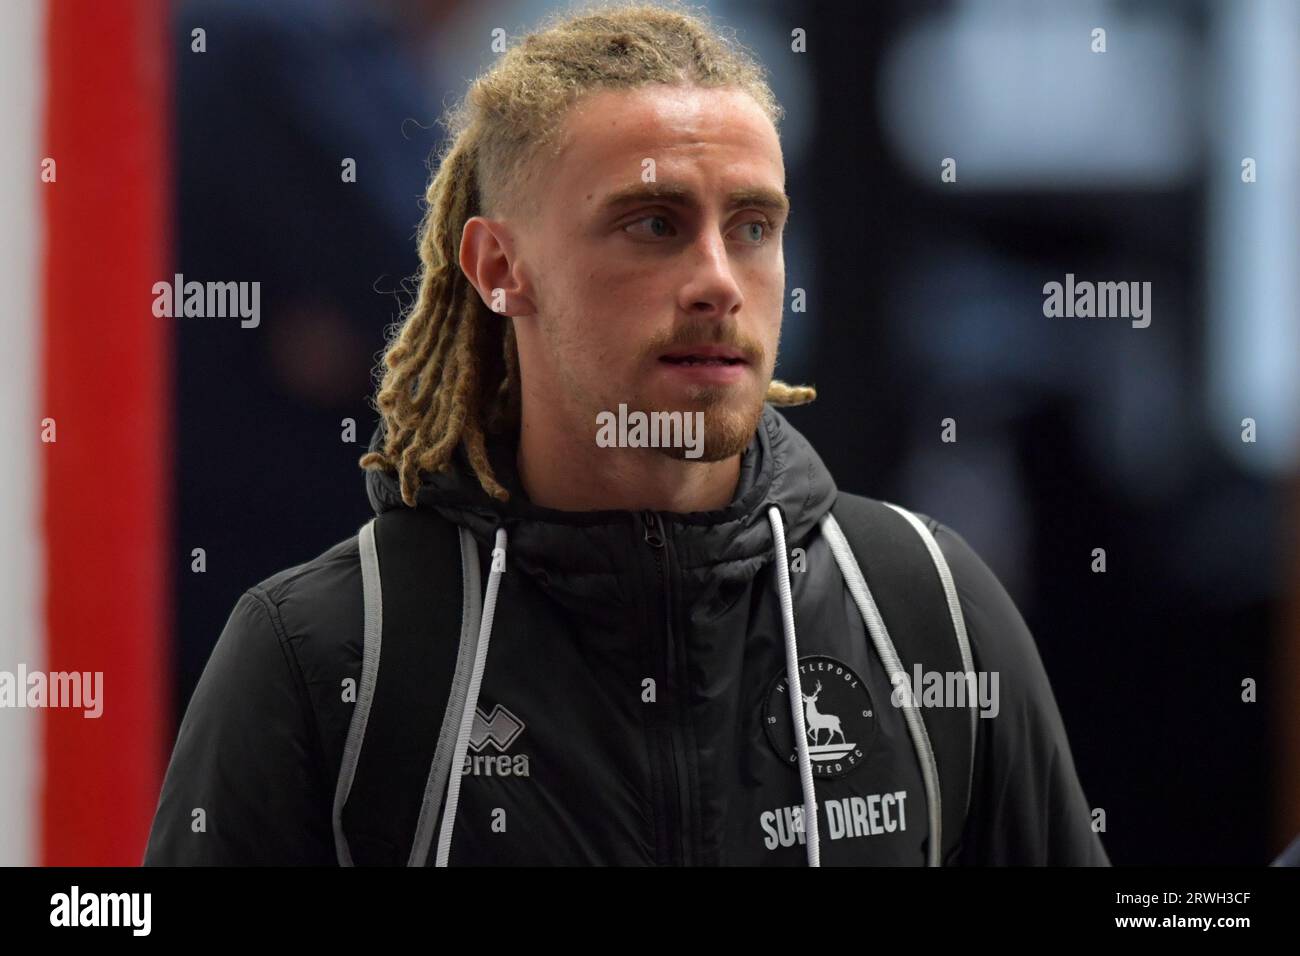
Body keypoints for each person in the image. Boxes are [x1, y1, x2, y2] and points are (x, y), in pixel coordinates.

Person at [143, 0, 1108, 867]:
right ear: (498, 268)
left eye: (754, 226)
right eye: (653, 224)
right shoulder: (326, 655)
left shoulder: (929, 609)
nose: (719, 281)